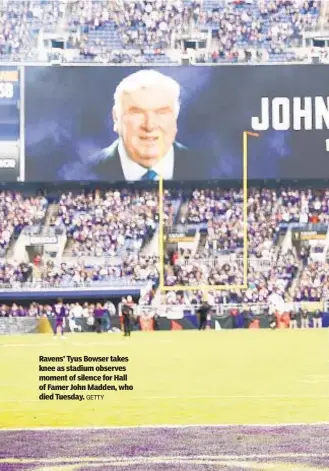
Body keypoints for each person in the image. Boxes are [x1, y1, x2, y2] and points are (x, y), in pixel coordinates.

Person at [88, 70, 209, 181]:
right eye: (137, 113)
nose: (149, 126)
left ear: (175, 118)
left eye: (161, 112)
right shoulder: (86, 171)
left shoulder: (206, 168)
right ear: (116, 118)